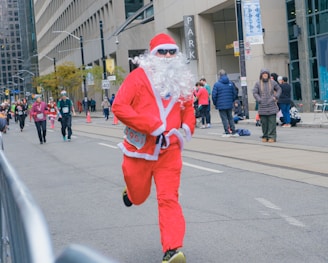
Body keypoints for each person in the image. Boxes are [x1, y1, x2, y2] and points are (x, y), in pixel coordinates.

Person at [112, 33, 195, 263]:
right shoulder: (137, 77)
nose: (168, 56)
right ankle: (130, 192)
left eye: (172, 52)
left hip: (169, 152)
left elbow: (188, 108)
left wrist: (186, 129)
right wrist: (151, 126)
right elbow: (119, 106)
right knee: (139, 196)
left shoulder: (182, 79)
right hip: (139, 151)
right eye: (162, 51)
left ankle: (172, 249)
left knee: (169, 199)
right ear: (152, 55)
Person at [253, 69, 281, 143]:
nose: (265, 75)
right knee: (264, 123)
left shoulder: (273, 82)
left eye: (266, 74)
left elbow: (279, 89)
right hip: (262, 106)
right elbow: (255, 92)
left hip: (271, 105)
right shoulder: (258, 84)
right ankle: (265, 136)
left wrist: (275, 97)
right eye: (263, 74)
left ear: (268, 75)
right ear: (261, 75)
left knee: (272, 123)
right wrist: (259, 99)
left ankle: (272, 136)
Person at [212, 69, 239, 137]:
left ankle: (227, 131)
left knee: (224, 118)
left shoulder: (217, 84)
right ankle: (233, 131)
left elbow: (214, 95)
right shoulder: (230, 83)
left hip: (220, 104)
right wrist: (231, 100)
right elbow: (234, 93)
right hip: (229, 103)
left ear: (220, 76)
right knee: (230, 117)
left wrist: (215, 103)